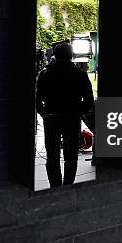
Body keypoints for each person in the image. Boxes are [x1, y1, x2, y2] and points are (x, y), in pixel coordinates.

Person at [36, 43, 94, 188]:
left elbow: (37, 99)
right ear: (71, 55)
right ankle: (68, 185)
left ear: (55, 55)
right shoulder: (80, 74)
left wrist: (45, 114)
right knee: (71, 156)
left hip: (52, 116)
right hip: (71, 118)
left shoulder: (45, 73)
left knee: (52, 156)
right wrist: (77, 112)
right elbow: (88, 101)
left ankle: (55, 186)